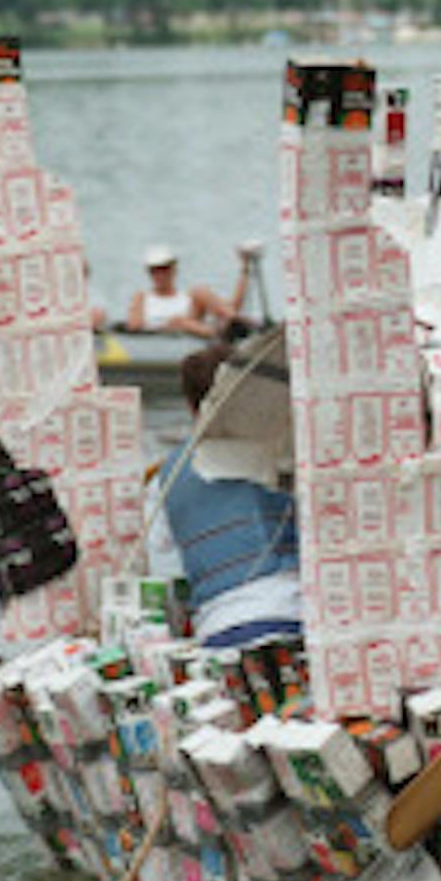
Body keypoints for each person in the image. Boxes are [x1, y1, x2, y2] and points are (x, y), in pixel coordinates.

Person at [157, 343, 302, 649]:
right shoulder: (278, 449)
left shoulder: (166, 475)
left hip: (216, 629)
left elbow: (165, 568)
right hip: (292, 612)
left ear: (190, 405)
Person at [126, 244, 253, 338]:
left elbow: (233, 307)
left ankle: (232, 331)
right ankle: (219, 334)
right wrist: (169, 326)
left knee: (201, 291)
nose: (160, 275)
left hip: (192, 332)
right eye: (155, 270)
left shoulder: (190, 296)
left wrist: (245, 268)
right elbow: (134, 326)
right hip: (160, 336)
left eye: (165, 269)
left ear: (174, 269)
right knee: (180, 321)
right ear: (149, 273)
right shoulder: (142, 297)